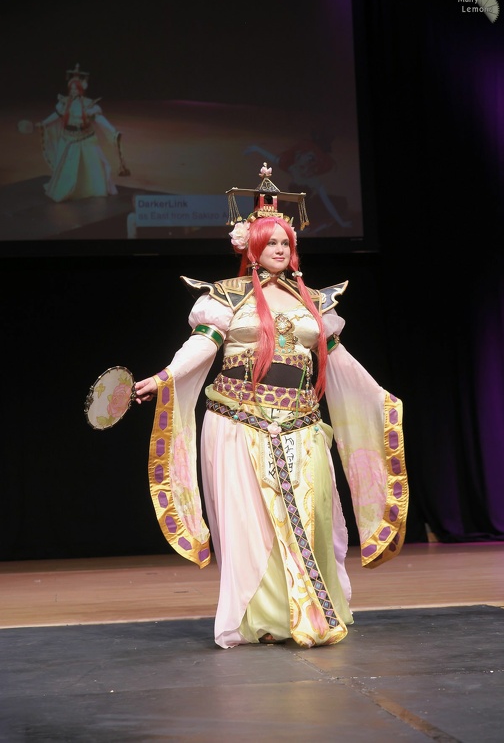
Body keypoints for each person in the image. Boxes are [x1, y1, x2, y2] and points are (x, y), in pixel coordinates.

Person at [134, 164, 408, 649]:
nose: (280, 250)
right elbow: (201, 346)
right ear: (251, 248)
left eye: (286, 242)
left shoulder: (314, 302)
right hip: (239, 420)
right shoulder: (226, 297)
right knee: (252, 526)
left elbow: (339, 361)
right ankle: (261, 618)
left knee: (312, 515)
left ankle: (312, 609)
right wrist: (163, 378)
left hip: (302, 423)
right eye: (271, 242)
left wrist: (380, 398)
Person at [35, 64, 130, 203]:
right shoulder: (64, 103)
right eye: (71, 88)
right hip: (68, 139)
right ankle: (68, 190)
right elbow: (56, 115)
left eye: (76, 88)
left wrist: (112, 129)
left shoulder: (88, 104)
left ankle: (90, 189)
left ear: (81, 89)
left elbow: (99, 119)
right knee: (69, 169)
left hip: (85, 138)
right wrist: (44, 122)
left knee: (91, 166)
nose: (73, 91)